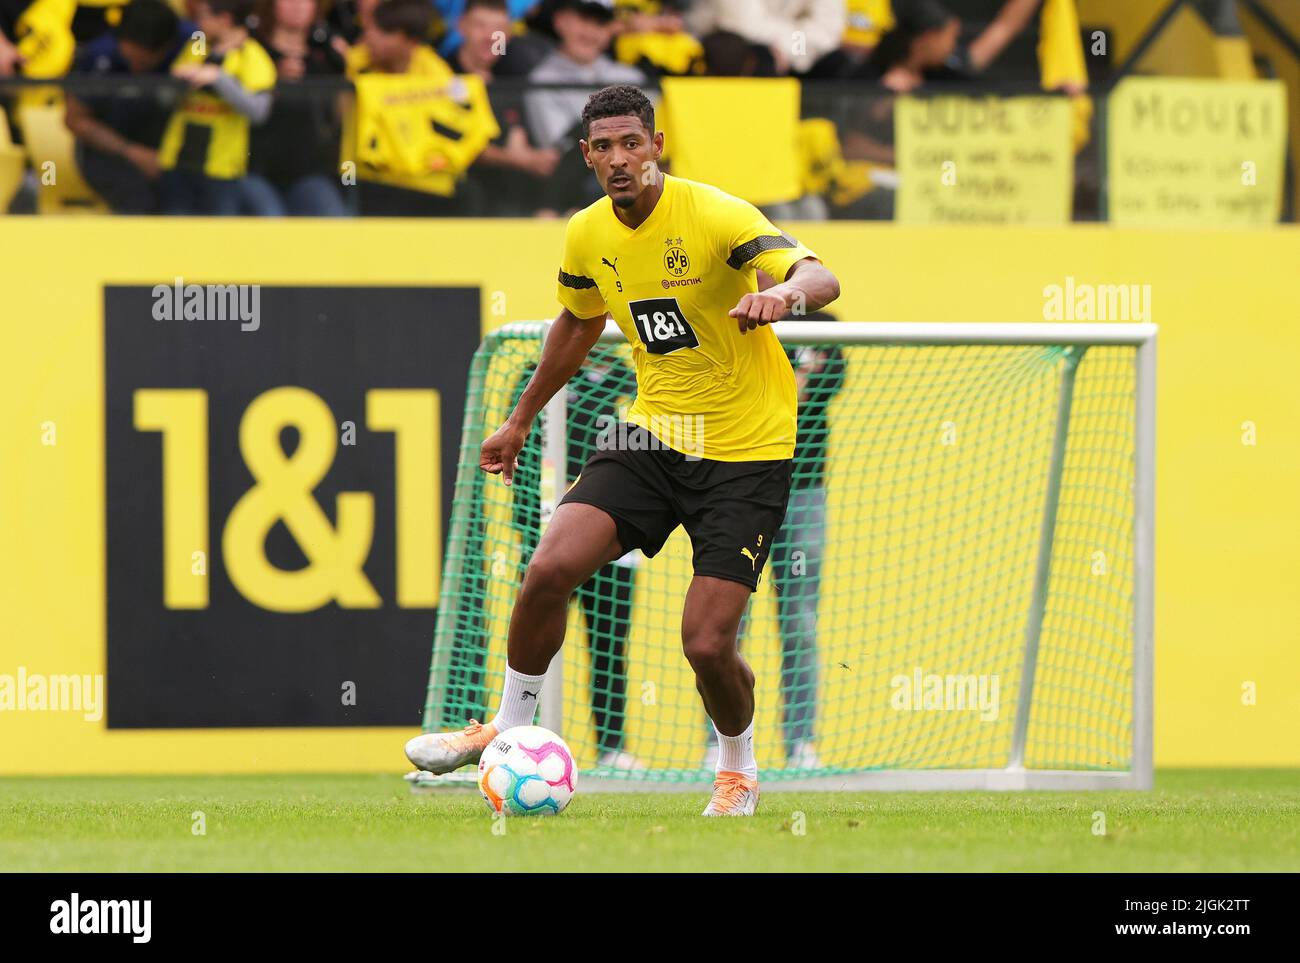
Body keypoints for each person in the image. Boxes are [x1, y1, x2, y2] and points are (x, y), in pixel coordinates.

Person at [405, 83, 841, 817]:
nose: (619, 159)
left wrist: (784, 297)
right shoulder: (586, 232)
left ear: (656, 146)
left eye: (631, 143)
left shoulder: (715, 215)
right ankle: (509, 726)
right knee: (550, 566)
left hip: (744, 451)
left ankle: (737, 767)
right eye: (603, 147)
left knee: (705, 644)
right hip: (651, 434)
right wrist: (518, 421)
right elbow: (576, 324)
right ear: (586, 155)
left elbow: (820, 275)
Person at [704, 309, 846, 771]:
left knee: (800, 621)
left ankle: (802, 742)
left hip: (803, 492)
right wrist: (795, 375)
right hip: (739, 486)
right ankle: (719, 743)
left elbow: (810, 396)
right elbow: (734, 394)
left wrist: (785, 384)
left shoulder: (825, 325)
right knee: (725, 624)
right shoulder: (731, 316)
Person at [64, 0, 189, 213]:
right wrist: (133, 153)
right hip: (108, 150)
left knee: (189, 195)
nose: (135, 70)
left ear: (166, 48)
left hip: (173, 149)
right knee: (139, 199)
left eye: (143, 65)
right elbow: (75, 119)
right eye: (130, 61)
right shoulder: (99, 55)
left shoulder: (191, 44)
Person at [157, 0, 277, 214]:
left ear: (224, 20)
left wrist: (219, 79)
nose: (198, 22)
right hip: (178, 158)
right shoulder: (198, 43)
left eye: (204, 16)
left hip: (221, 167)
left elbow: (259, 111)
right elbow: (167, 95)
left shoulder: (252, 56)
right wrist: (180, 81)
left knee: (219, 235)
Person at [251, 0, 350, 215]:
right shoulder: (252, 49)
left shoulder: (328, 56)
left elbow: (343, 115)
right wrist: (274, 80)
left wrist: (347, 64)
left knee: (335, 223)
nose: (298, 6)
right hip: (254, 168)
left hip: (311, 170)